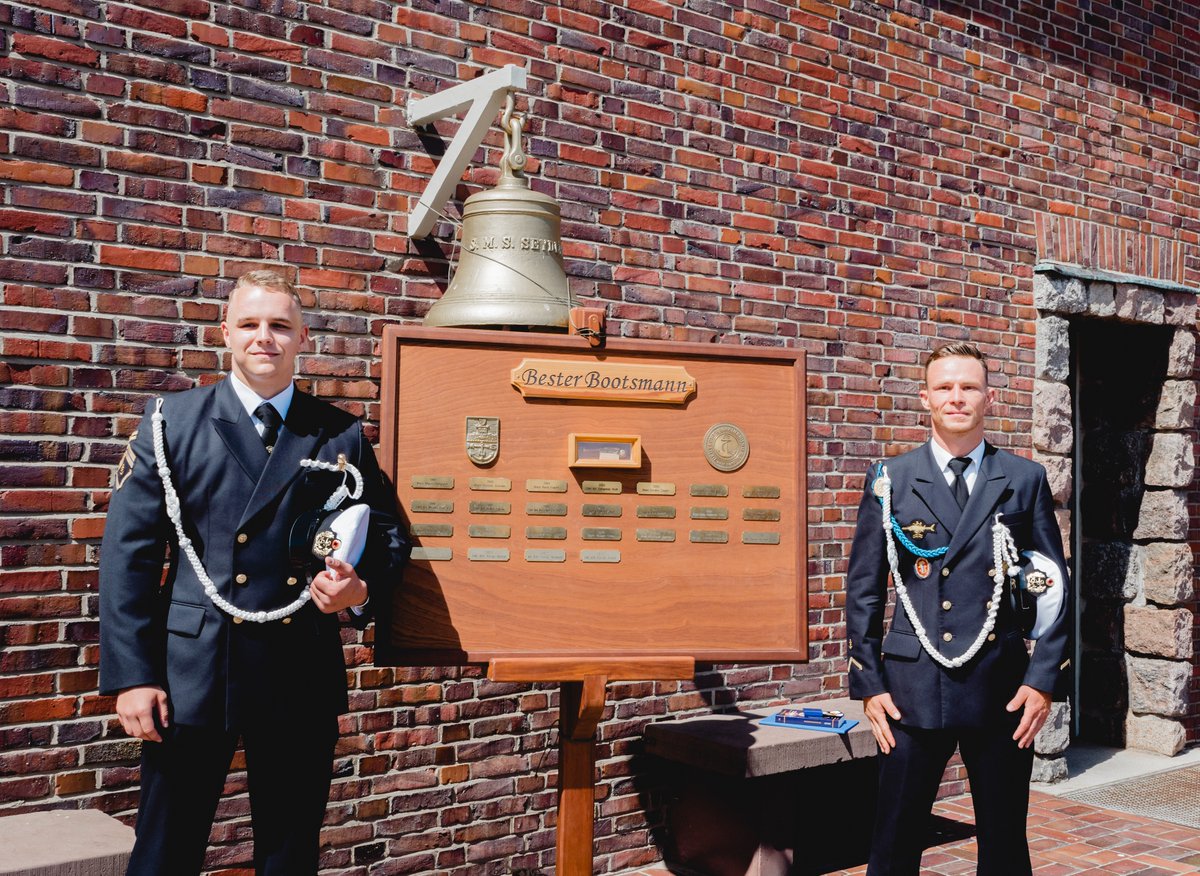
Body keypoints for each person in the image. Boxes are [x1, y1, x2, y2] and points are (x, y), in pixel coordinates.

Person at [99, 270, 408, 875]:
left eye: (279, 326)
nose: (264, 337)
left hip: (298, 665)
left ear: (301, 339)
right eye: (249, 324)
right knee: (165, 848)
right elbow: (128, 558)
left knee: (289, 852)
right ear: (226, 334)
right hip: (189, 670)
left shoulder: (336, 431)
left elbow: (389, 535)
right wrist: (132, 676)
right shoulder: (171, 423)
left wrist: (358, 587)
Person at [845, 342, 1070, 876]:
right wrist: (870, 683)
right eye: (944, 387)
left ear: (989, 398)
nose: (956, 397)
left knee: (1004, 841)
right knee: (895, 839)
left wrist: (1042, 680)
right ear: (925, 398)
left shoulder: (1022, 478)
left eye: (968, 387)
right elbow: (865, 590)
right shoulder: (890, 480)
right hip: (911, 690)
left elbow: (1051, 585)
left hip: (1000, 687)